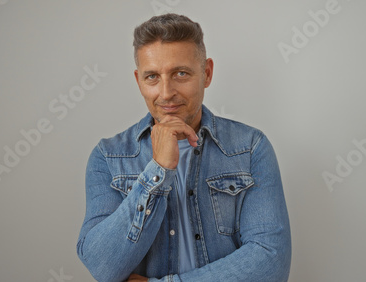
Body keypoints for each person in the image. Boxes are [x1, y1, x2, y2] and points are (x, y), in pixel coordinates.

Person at [77, 13, 291, 282]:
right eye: (152, 76)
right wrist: (158, 170)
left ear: (207, 73)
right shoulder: (108, 158)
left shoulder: (250, 148)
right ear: (138, 81)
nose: (166, 93)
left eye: (180, 73)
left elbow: (270, 262)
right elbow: (102, 266)